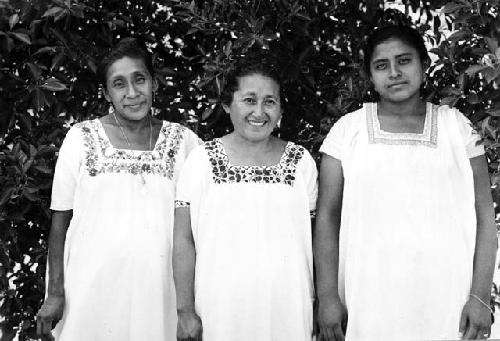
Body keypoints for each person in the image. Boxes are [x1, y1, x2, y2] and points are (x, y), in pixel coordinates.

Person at [314, 25, 498, 341]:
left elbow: (485, 214)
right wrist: (329, 297)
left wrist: (480, 297)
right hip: (368, 301)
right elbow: (327, 218)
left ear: (425, 66)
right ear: (370, 76)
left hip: (447, 300)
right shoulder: (348, 132)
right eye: (381, 65)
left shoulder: (457, 127)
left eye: (404, 61)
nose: (395, 73)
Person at [35, 37, 200, 341]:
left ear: (154, 83)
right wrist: (55, 293)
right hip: (92, 290)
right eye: (119, 84)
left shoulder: (185, 142)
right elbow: (60, 221)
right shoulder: (81, 138)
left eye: (140, 80)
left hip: (161, 292)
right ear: (107, 93)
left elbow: (199, 227)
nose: (133, 93)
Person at [172, 60, 318, 341]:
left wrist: (318, 303)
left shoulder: (301, 163)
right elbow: (183, 240)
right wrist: (185, 311)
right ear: (227, 105)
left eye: (270, 102)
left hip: (287, 310)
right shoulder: (201, 160)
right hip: (220, 311)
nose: (259, 112)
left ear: (281, 109)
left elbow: (313, 239)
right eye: (249, 100)